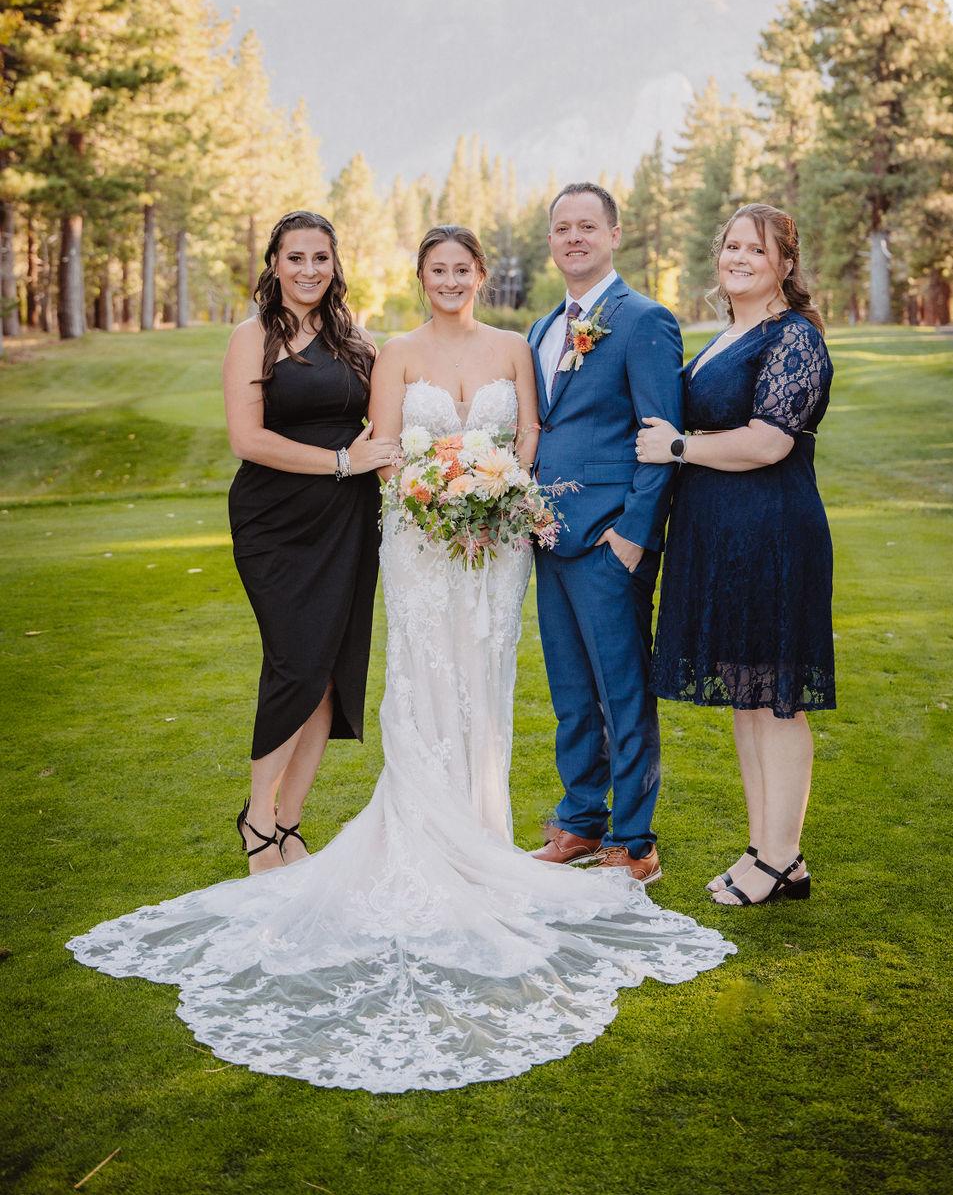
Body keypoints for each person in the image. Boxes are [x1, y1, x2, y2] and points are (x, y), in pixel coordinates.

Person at [68, 223, 733, 1093]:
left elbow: (529, 435)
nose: (451, 280)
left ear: (481, 275)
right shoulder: (383, 350)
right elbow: (383, 450)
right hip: (420, 544)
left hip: (495, 546)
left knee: (485, 687)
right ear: (418, 277)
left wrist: (497, 493)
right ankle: (312, 825)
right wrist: (431, 497)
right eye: (437, 270)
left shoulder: (513, 342)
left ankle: (480, 832)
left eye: (463, 268)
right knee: (411, 684)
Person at [636, 203, 835, 907]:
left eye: (757, 248)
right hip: (724, 533)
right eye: (731, 246)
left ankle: (784, 859)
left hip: (772, 532)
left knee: (776, 700)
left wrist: (679, 446)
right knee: (748, 698)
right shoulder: (729, 334)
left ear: (786, 263)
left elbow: (768, 441)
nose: (739, 257)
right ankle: (765, 849)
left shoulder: (795, 339)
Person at [222, 210, 398, 874]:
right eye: (295, 257)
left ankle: (289, 818)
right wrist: (340, 463)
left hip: (348, 522)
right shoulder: (251, 337)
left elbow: (391, 416)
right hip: (275, 521)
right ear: (273, 263)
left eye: (320, 257)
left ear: (335, 263)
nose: (308, 270)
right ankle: (257, 820)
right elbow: (249, 440)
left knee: (329, 670)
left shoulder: (356, 339)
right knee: (294, 662)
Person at [528, 183, 683, 885]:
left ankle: (634, 838)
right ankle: (580, 820)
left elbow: (661, 436)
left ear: (614, 234)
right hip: (550, 538)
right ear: (552, 240)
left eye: (587, 225)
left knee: (622, 691)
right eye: (563, 227)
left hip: (608, 543)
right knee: (569, 690)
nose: (574, 237)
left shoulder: (645, 319)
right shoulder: (541, 328)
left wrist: (633, 536)